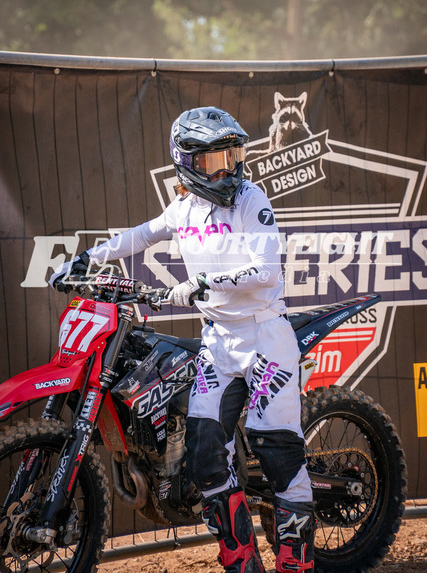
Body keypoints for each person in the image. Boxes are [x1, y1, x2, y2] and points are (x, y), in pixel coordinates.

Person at [50, 107, 315, 573]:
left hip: (264, 336)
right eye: (215, 161)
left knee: (277, 451)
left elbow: (267, 271)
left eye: (233, 157)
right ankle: (242, 563)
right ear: (187, 163)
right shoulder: (184, 208)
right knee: (205, 457)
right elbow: (141, 235)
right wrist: (88, 258)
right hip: (218, 341)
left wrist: (203, 282)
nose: (228, 170)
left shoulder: (251, 198)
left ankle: (298, 564)